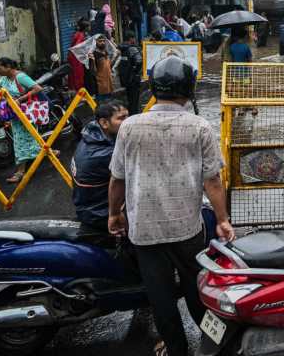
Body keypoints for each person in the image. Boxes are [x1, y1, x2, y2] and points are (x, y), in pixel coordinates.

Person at [108, 56, 234, 356]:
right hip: (187, 229)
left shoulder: (129, 127)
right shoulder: (199, 127)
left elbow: (117, 179)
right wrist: (222, 219)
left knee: (161, 298)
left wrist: (114, 213)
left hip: (145, 232)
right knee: (197, 291)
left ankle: (177, 350)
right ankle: (216, 345)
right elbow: (213, 181)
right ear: (188, 89)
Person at [72, 101, 128, 231]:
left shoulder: (91, 135)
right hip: (99, 213)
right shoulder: (103, 154)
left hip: (88, 206)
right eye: (121, 118)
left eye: (127, 116)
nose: (127, 121)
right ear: (104, 123)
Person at [0, 57, 45, 184]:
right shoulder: (3, 80)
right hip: (14, 116)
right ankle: (47, 151)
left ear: (8, 67)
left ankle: (20, 172)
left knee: (20, 142)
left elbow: (38, 88)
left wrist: (20, 99)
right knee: (30, 138)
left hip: (26, 113)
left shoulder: (21, 77)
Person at [118, 31, 143, 116]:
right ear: (131, 39)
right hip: (133, 80)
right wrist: (136, 72)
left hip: (125, 79)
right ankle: (134, 116)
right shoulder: (132, 49)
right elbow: (139, 61)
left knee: (129, 98)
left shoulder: (121, 48)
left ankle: (129, 114)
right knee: (134, 100)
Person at [89, 35, 114, 100]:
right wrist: (92, 61)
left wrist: (115, 57)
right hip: (100, 87)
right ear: (95, 43)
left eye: (103, 41)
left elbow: (109, 66)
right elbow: (93, 72)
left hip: (109, 85)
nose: (102, 42)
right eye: (100, 41)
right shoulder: (94, 55)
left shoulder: (106, 52)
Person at [68, 18, 90, 92]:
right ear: (85, 28)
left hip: (73, 56)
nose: (90, 28)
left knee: (73, 74)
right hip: (76, 58)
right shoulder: (80, 35)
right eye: (88, 26)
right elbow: (77, 46)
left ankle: (74, 89)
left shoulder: (77, 33)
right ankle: (79, 91)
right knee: (78, 74)